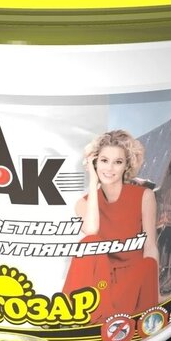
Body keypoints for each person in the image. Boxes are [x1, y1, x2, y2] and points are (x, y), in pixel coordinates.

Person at [62, 130, 159, 324]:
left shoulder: (144, 196)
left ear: (127, 166)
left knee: (147, 263)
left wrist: (154, 291)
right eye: (104, 160)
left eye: (118, 162)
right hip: (100, 283)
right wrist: (92, 181)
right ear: (94, 163)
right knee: (88, 242)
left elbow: (150, 246)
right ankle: (69, 313)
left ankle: (142, 318)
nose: (110, 168)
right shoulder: (83, 203)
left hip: (132, 281)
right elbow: (91, 230)